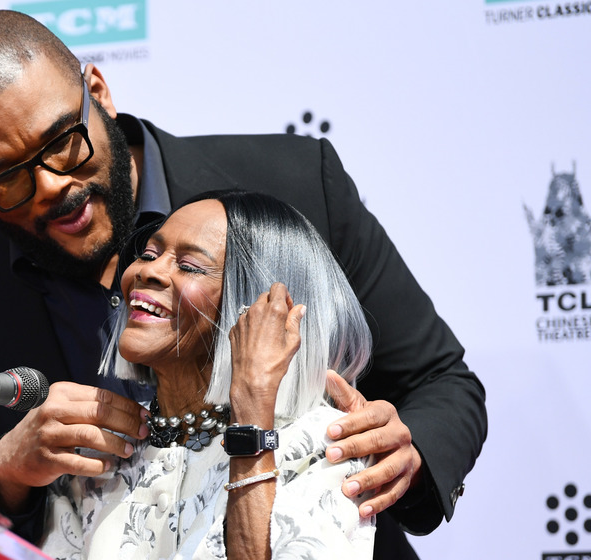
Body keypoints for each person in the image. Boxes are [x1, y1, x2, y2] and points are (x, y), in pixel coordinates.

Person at [0, 9, 486, 558]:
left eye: (64, 143)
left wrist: (408, 455)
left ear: (98, 93)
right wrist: (7, 471)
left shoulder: (297, 185)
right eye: (3, 180)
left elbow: (441, 382)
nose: (48, 187)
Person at [41, 190, 375, 559]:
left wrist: (251, 415)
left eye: (189, 266)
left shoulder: (323, 446)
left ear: (255, 307)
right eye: (149, 254)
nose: (146, 271)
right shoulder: (97, 453)